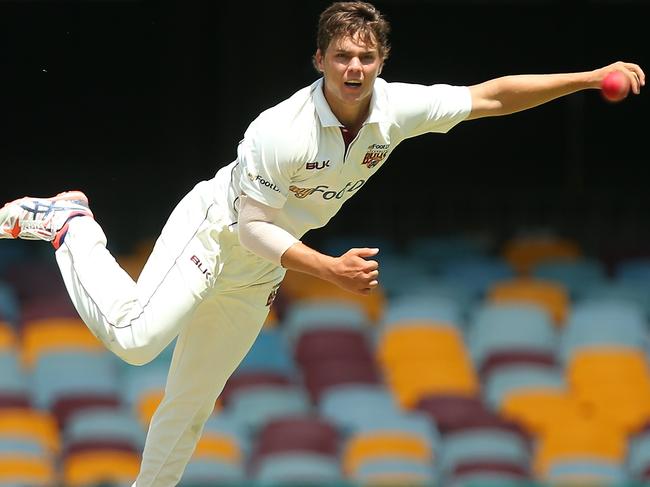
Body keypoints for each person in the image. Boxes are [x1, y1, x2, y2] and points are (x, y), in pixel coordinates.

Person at [0, 1, 645, 485]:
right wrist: (328, 271)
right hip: (215, 237)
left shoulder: (396, 109)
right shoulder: (280, 130)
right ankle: (69, 224)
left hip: (255, 277)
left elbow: (490, 97)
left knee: (190, 406)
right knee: (137, 341)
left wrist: (588, 77)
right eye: (342, 56)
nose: (355, 68)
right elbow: (253, 227)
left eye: (366, 57)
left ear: (381, 62)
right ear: (320, 61)